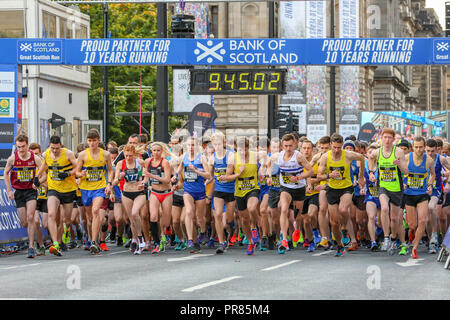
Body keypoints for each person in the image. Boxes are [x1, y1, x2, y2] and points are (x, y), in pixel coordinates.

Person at [317, 133, 365, 257]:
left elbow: (362, 158)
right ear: (331, 145)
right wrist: (329, 176)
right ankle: (339, 245)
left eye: (339, 147)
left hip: (346, 188)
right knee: (333, 222)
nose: (337, 150)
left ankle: (344, 229)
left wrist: (360, 176)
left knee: (343, 210)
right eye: (334, 147)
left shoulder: (348, 155)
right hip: (332, 189)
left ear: (342, 146)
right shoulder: (325, 157)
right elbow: (319, 175)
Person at [267, 133, 314, 254]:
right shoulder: (278, 156)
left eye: (290, 146)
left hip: (299, 188)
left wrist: (299, 178)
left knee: (298, 216)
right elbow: (268, 163)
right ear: (282, 146)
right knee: (284, 209)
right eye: (286, 146)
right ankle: (283, 240)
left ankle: (297, 229)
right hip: (286, 187)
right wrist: (269, 176)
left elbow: (310, 171)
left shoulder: (299, 157)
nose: (288, 148)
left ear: (295, 145)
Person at [37, 135, 78, 256]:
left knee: (67, 220)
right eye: (52, 148)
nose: (54, 150)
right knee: (51, 214)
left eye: (57, 148)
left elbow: (78, 168)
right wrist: (37, 177)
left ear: (61, 145)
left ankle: (66, 230)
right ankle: (55, 243)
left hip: (68, 189)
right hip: (53, 188)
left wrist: (67, 174)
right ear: (50, 146)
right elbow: (45, 165)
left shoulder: (68, 154)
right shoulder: (47, 154)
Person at [369, 128, 408, 254]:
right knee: (384, 208)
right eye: (384, 137)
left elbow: (406, 171)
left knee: (395, 219)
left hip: (396, 188)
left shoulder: (398, 152)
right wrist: (372, 171)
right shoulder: (377, 152)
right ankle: (386, 238)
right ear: (381, 138)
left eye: (389, 137)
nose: (386, 140)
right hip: (383, 186)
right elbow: (370, 158)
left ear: (393, 139)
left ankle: (394, 237)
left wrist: (399, 165)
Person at [3, 135, 43, 258]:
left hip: (30, 191)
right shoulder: (12, 158)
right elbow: (5, 172)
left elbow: (44, 172)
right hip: (19, 192)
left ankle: (31, 247)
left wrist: (38, 182)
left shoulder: (35, 158)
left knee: (31, 217)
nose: (21, 149)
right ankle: (38, 242)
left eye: (23, 146)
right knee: (24, 222)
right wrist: (9, 190)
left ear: (27, 145)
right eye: (18, 147)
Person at [75, 129, 114, 254]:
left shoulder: (106, 154)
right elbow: (76, 171)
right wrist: (80, 174)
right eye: (90, 141)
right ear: (87, 141)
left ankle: (93, 242)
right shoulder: (82, 155)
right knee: (90, 218)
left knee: (96, 211)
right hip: (86, 188)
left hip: (99, 187)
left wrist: (109, 184)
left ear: (99, 141)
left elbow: (110, 170)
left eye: (94, 141)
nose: (92, 143)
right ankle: (94, 239)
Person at [178, 136, 211, 253]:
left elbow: (209, 176)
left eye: (193, 145)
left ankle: (202, 232)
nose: (191, 147)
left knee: (200, 218)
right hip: (188, 190)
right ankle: (190, 240)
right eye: (189, 145)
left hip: (200, 192)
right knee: (188, 212)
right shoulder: (184, 157)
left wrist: (196, 170)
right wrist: (174, 177)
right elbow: (178, 170)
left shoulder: (201, 158)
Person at [404, 137, 435, 259]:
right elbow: (399, 171)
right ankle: (412, 231)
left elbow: (433, 174)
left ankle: (415, 248)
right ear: (413, 147)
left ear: (424, 146)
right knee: (412, 225)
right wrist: (403, 182)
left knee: (423, 221)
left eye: (421, 147)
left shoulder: (429, 160)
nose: (419, 149)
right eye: (416, 147)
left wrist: (430, 184)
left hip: (422, 194)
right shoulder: (407, 158)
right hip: (409, 194)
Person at [112, 144, 146, 255]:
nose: (128, 158)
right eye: (126, 155)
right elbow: (115, 181)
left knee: (135, 213)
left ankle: (140, 238)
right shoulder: (120, 164)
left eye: (130, 155)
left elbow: (146, 175)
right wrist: (119, 177)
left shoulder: (140, 162)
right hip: (126, 193)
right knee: (132, 220)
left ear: (134, 154)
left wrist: (144, 182)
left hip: (139, 192)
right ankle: (137, 243)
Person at [143, 142, 173, 254]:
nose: (156, 153)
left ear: (162, 152)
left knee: (165, 221)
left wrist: (153, 176)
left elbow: (167, 180)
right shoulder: (148, 162)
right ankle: (156, 243)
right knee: (154, 217)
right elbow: (146, 177)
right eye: (154, 150)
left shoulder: (165, 162)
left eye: (158, 150)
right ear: (151, 152)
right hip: (155, 192)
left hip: (166, 193)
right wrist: (143, 183)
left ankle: (167, 231)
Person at [209, 132, 236, 254]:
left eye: (219, 144)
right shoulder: (212, 157)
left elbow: (229, 173)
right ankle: (221, 242)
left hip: (231, 189)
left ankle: (230, 230)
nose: (217, 146)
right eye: (215, 144)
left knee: (228, 220)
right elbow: (210, 174)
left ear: (224, 143)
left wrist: (224, 176)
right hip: (219, 190)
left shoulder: (231, 155)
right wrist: (208, 178)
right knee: (218, 215)